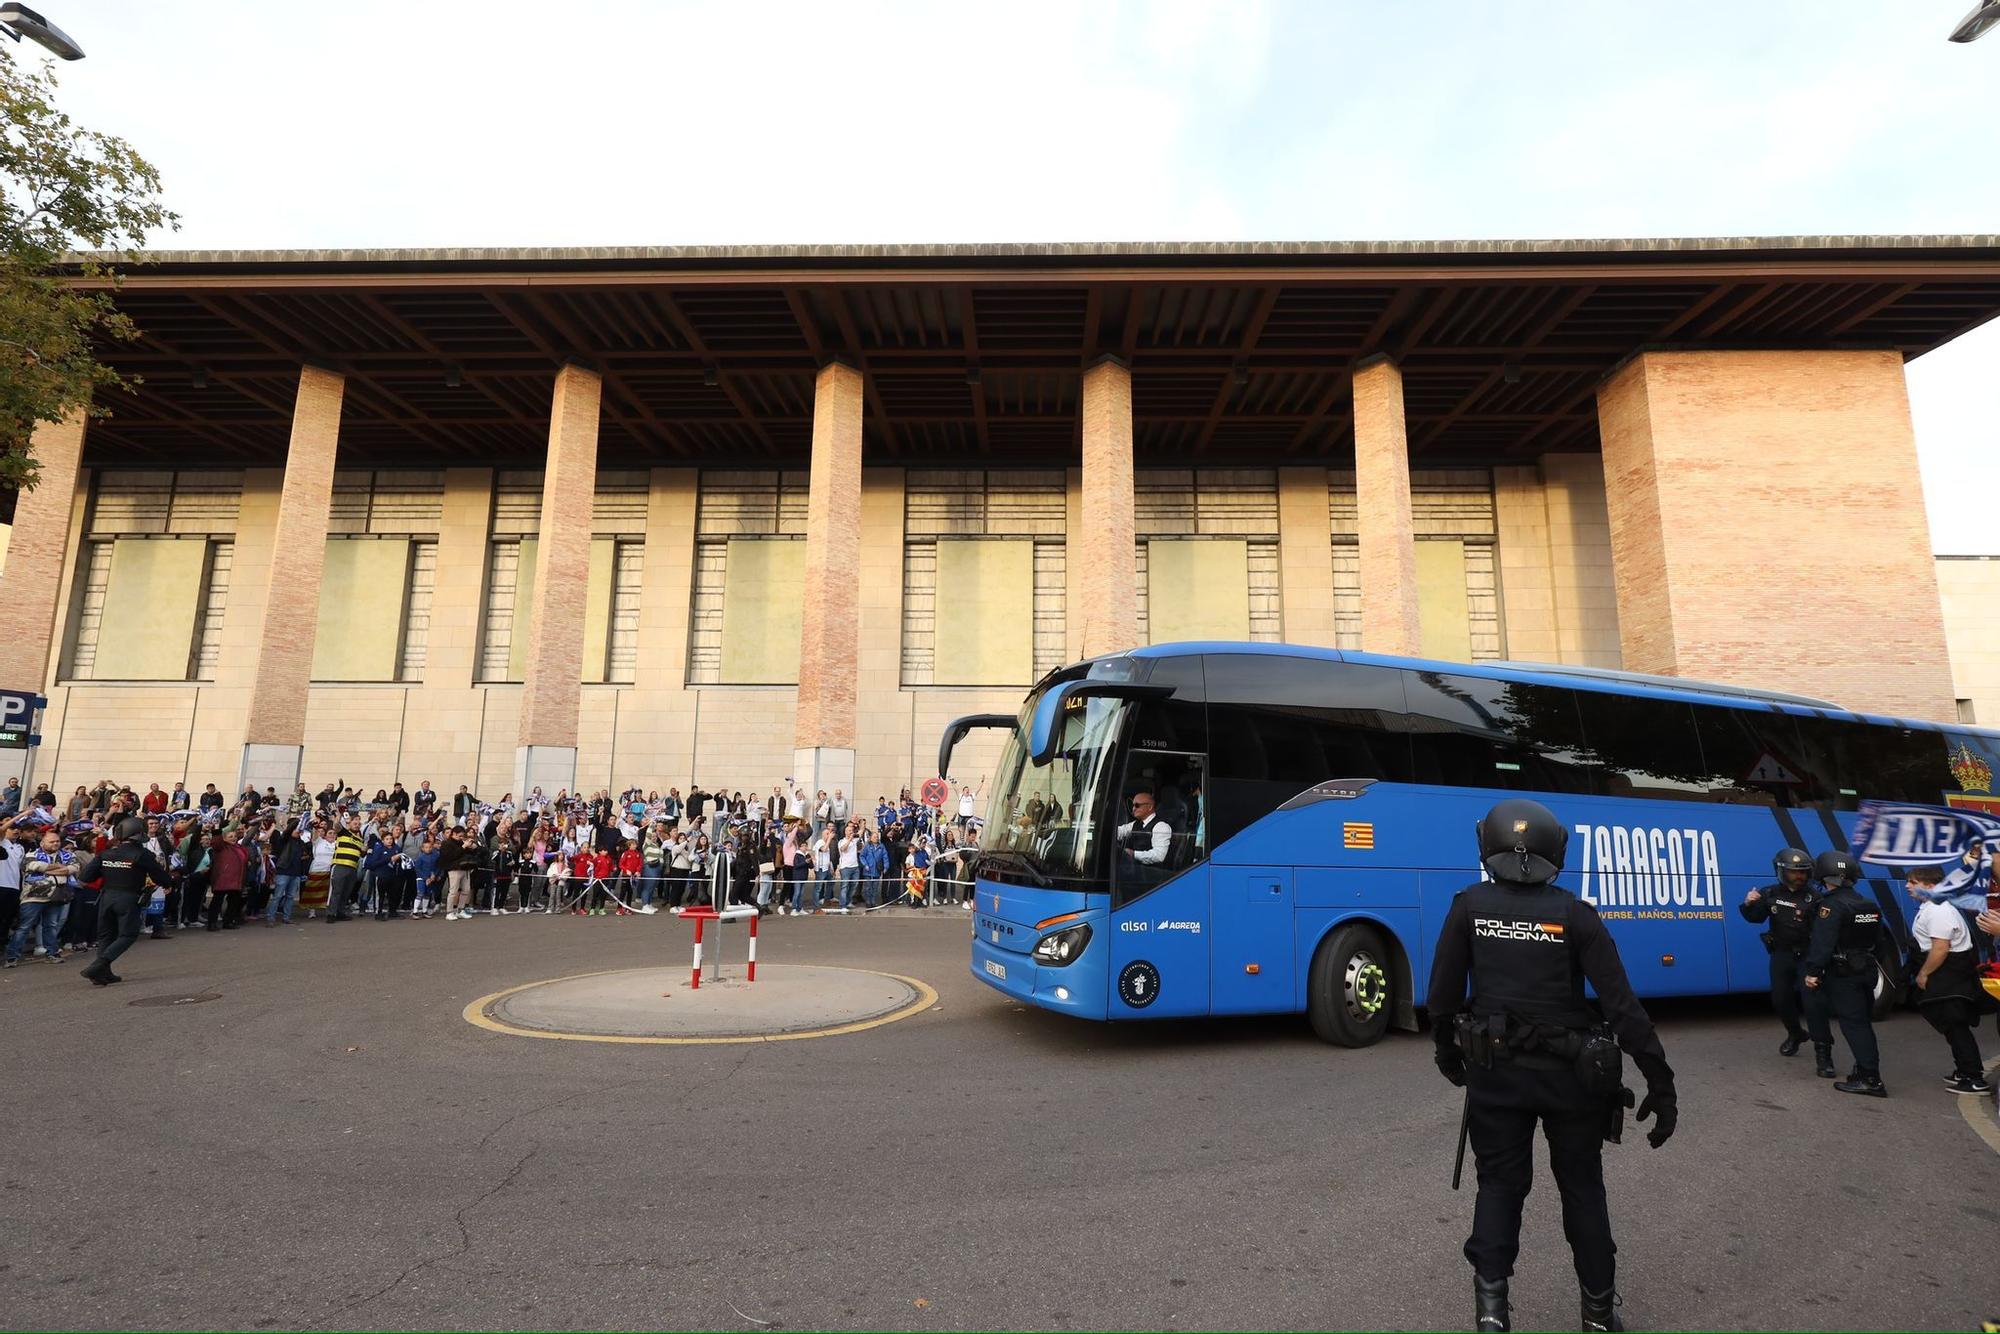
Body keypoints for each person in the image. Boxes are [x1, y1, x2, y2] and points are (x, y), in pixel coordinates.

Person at [1429, 799, 1676, 1334]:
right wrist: (1661, 1082)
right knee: (1583, 1188)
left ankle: (1492, 1315)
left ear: (1486, 845)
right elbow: (1622, 1008)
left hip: (1496, 1075)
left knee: (1498, 1186)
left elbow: (1443, 995)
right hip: (1574, 1082)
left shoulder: (1468, 907)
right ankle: (1598, 1317)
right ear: (1556, 850)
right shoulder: (1576, 914)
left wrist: (1447, 1052)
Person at [1802, 849, 1887, 1097]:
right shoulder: (1868, 904)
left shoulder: (1830, 906)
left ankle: (1870, 1079)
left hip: (1844, 974)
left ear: (1824, 876)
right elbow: (1880, 944)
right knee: (1863, 1024)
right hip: (1867, 970)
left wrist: (1813, 972)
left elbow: (1823, 943)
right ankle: (1863, 1071)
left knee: (1854, 1026)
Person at [1903, 866, 1992, 1095]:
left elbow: (1941, 948)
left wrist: (1923, 973)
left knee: (1955, 1024)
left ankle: (1974, 1078)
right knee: (1951, 1025)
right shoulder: (1933, 907)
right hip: (1949, 974)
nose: (1907, 886)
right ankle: (1964, 1071)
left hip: (1948, 975)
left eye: (1913, 882)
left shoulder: (1938, 910)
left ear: (1930, 886)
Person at [1738, 848, 1823, 1057]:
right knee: (1780, 999)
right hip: (1782, 955)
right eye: (1794, 872)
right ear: (1782, 872)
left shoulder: (1816, 897)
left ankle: (1823, 1053)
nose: (1799, 876)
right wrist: (1749, 903)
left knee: (1812, 1003)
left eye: (1803, 872)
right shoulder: (1770, 893)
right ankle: (1795, 1033)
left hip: (1807, 956)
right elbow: (1755, 918)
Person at [76, 817, 169, 986]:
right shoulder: (142, 854)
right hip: (129, 898)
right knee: (128, 935)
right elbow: (160, 876)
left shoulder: (106, 853)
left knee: (106, 935)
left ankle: (103, 973)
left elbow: (86, 877)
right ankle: (98, 966)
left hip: (106, 897)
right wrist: (169, 884)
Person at [1114, 788, 1173, 886]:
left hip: (1152, 880)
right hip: (1136, 873)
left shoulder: (1161, 826)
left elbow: (1159, 856)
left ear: (1150, 807)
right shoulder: (1135, 824)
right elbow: (1120, 831)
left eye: (1137, 805)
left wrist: (1133, 854)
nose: (1133, 809)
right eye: (1132, 805)